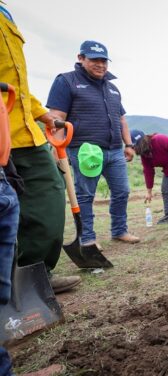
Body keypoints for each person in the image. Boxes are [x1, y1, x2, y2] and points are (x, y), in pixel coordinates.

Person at [0, 4, 81, 294]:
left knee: (49, 195)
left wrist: (41, 113)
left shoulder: (5, 14)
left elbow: (15, 85)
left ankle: (36, 273)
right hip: (0, 131)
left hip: (25, 133)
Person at [46, 40, 139, 248]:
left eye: (104, 61)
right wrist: (56, 147)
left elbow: (121, 119)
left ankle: (119, 230)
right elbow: (57, 117)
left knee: (122, 191)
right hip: (85, 150)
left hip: (115, 150)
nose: (101, 65)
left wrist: (129, 144)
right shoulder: (66, 81)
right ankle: (87, 238)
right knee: (85, 195)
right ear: (81, 58)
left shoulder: (112, 87)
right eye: (95, 60)